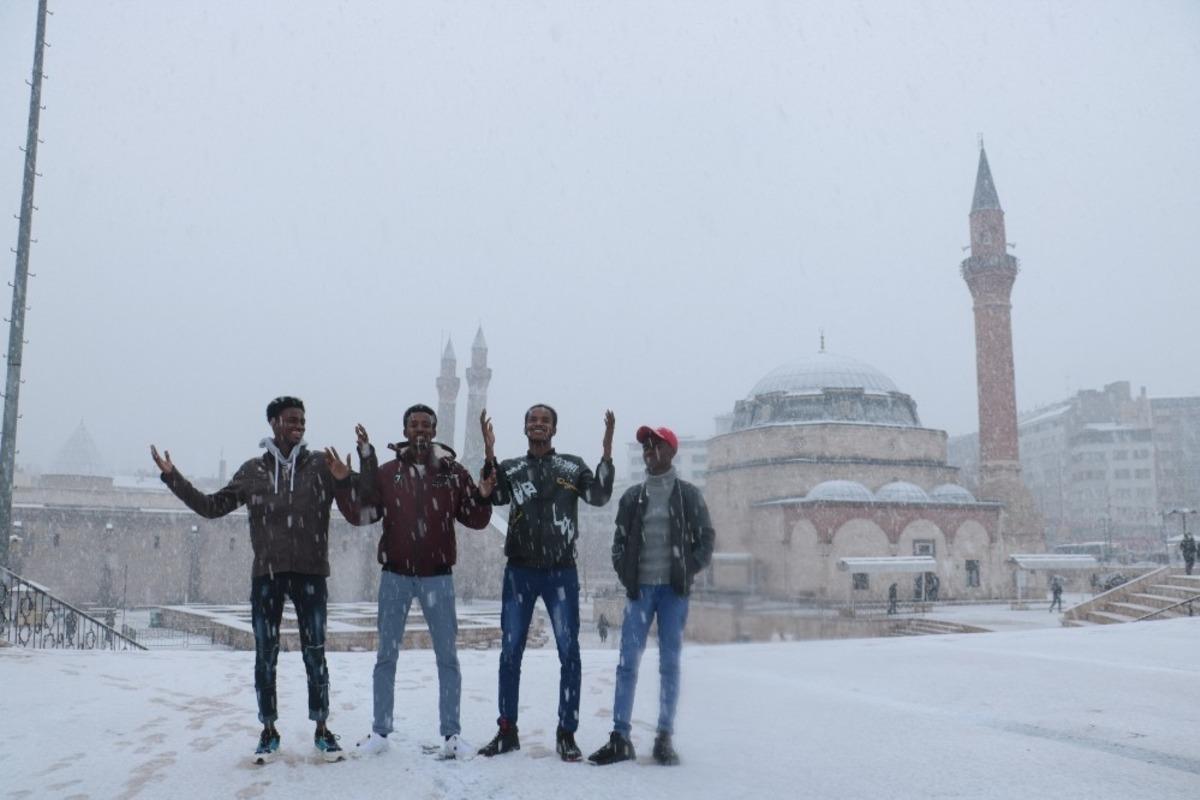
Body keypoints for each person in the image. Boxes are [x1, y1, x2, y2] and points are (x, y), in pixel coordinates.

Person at [151, 396, 356, 764]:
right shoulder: (253, 471)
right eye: (292, 419)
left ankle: (322, 729)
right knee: (266, 655)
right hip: (267, 575)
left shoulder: (322, 467)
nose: (299, 424)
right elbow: (212, 507)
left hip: (311, 573)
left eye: (303, 419)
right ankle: (268, 729)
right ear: (274, 423)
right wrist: (173, 478)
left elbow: (360, 506)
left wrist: (350, 478)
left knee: (315, 654)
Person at [341, 405, 495, 760]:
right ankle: (380, 731)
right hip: (395, 575)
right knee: (386, 656)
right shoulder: (389, 472)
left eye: (426, 424)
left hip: (437, 578)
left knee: (447, 658)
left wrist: (484, 496)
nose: (421, 429)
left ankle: (452, 735)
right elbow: (365, 512)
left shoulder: (452, 473)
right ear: (406, 430)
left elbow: (475, 518)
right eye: (414, 424)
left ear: (435, 429)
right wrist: (343, 478)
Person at [477, 404, 615, 762]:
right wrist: (489, 453)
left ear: (554, 429)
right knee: (510, 653)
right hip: (520, 570)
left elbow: (599, 496)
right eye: (532, 420)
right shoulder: (511, 467)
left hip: (561, 572)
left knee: (569, 654)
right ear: (524, 427)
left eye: (545, 421)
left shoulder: (572, 466)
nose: (538, 425)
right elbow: (496, 496)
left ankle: (566, 732)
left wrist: (606, 454)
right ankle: (507, 730)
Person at [588, 425, 715, 767]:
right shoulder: (632, 497)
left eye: (655, 445)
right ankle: (620, 736)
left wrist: (687, 568)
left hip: (673, 593)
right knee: (627, 663)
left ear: (671, 450)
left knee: (669, 664)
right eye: (645, 446)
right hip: (640, 591)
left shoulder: (688, 496)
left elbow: (706, 539)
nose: (648, 450)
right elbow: (618, 543)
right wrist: (625, 572)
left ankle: (664, 736)